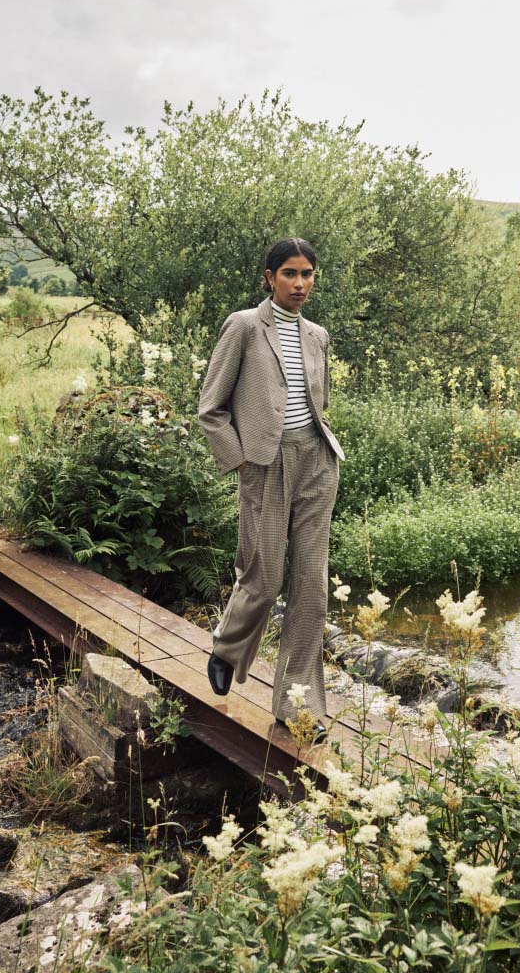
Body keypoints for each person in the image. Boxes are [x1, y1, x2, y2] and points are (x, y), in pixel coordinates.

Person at [197, 237, 345, 744]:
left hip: (316, 462)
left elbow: (311, 402)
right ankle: (228, 647)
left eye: (307, 274)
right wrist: (241, 462)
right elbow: (210, 409)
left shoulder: (318, 335)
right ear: (269, 276)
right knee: (265, 575)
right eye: (289, 273)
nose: (300, 283)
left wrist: (318, 447)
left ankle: (297, 707)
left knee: (311, 588)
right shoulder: (242, 327)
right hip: (264, 463)